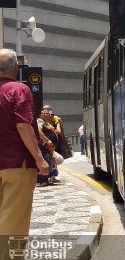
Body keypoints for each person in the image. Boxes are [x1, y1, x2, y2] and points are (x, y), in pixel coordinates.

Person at [0, 49, 49, 260]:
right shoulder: (18, 90)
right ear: (16, 68)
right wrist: (40, 159)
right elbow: (24, 126)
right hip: (16, 164)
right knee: (13, 221)